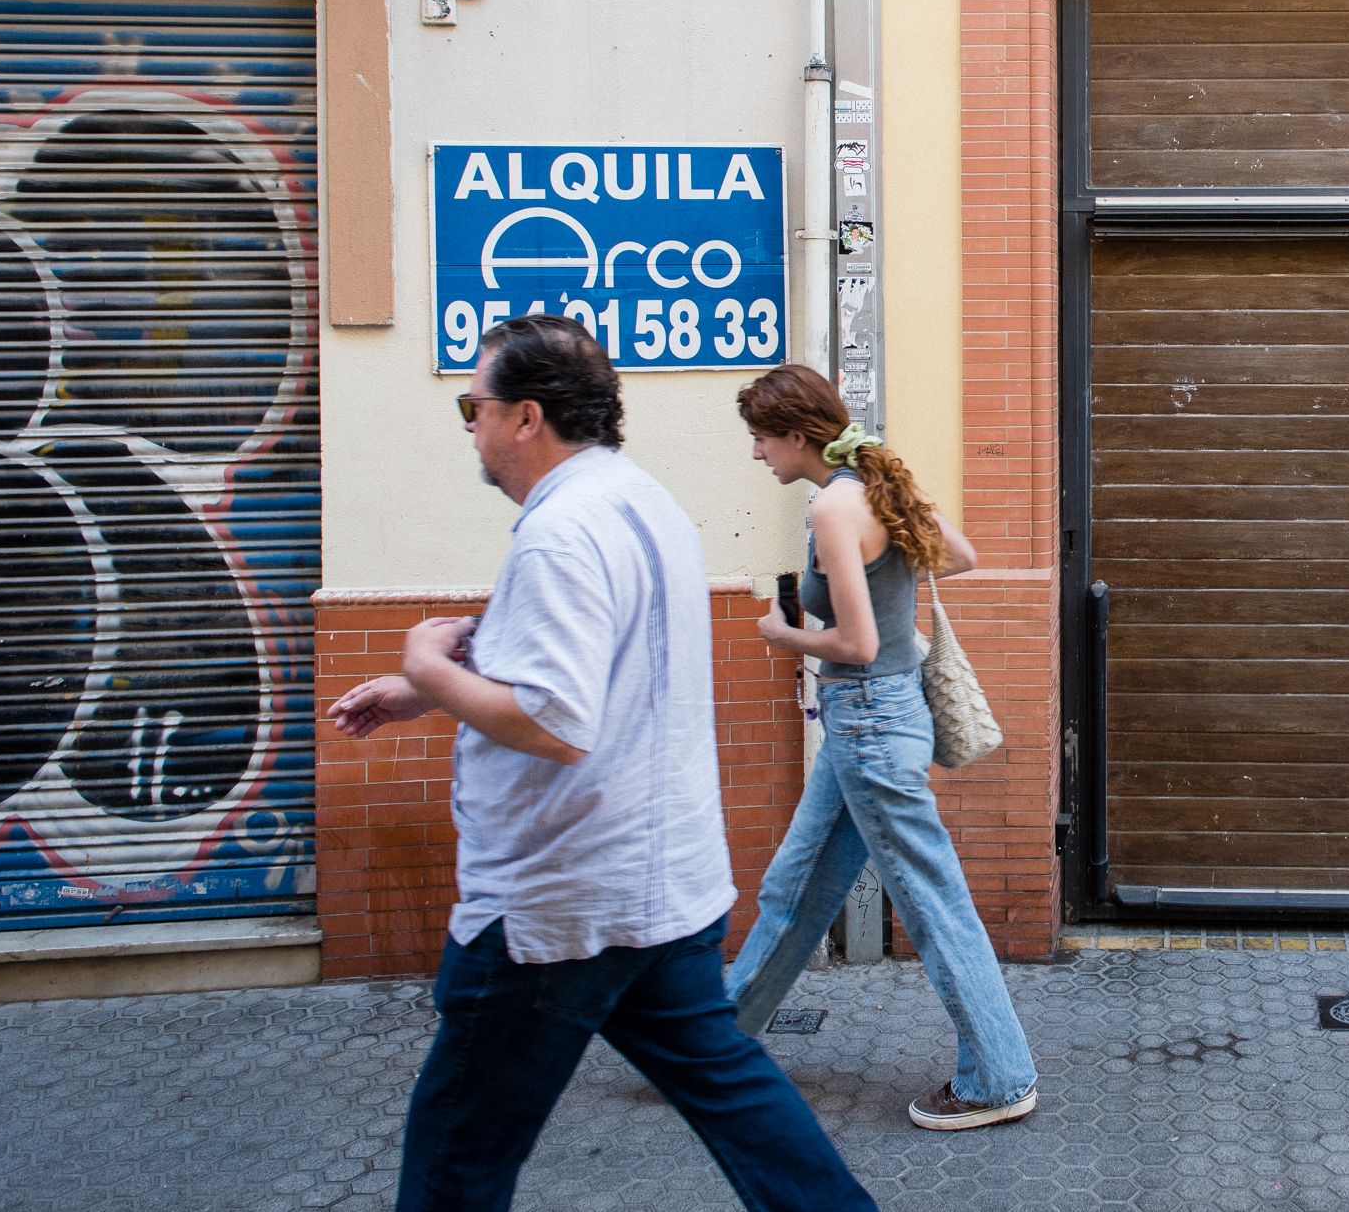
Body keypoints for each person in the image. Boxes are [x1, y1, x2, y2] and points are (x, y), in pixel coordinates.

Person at [329, 316, 877, 1212]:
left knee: (455, 1150)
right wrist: (430, 687)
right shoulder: (636, 500)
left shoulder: (560, 532)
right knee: (732, 1091)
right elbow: (594, 661)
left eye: (475, 404)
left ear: (526, 417)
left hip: (557, 903)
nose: (468, 422)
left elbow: (555, 718)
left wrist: (428, 664)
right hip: (655, 885)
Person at [725, 363, 1039, 1131]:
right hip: (867, 720)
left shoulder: (835, 505)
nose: (757, 453)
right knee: (792, 888)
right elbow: (958, 555)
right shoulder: (871, 486)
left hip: (868, 717)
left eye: (761, 438)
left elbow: (857, 642)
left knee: (934, 903)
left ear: (797, 436)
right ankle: (715, 1047)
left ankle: (998, 1077)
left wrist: (783, 634)